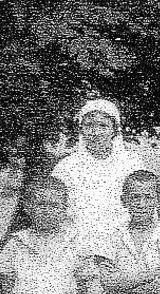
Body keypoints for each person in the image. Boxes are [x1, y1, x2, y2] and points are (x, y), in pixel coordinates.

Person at [51, 99, 147, 235]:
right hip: (77, 241)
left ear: (114, 130)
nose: (95, 132)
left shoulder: (132, 163)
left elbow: (145, 206)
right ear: (81, 130)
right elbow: (54, 209)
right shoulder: (66, 167)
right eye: (89, 125)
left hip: (122, 241)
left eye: (103, 126)